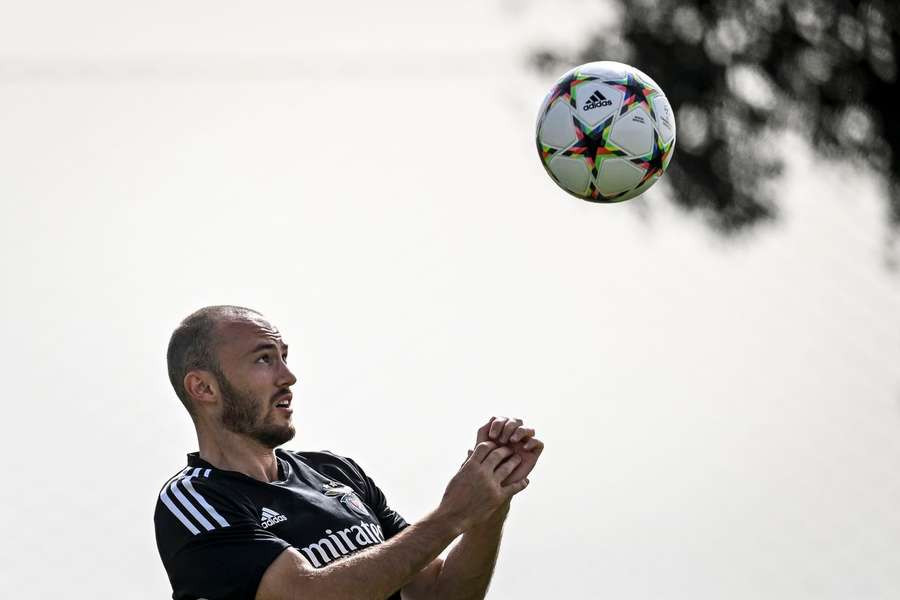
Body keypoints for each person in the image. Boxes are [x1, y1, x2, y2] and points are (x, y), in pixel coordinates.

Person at [154, 305, 545, 600]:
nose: (288, 377)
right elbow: (306, 596)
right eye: (263, 359)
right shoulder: (195, 498)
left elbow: (440, 594)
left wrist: (489, 504)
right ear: (203, 388)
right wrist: (454, 513)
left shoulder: (335, 472)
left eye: (284, 356)